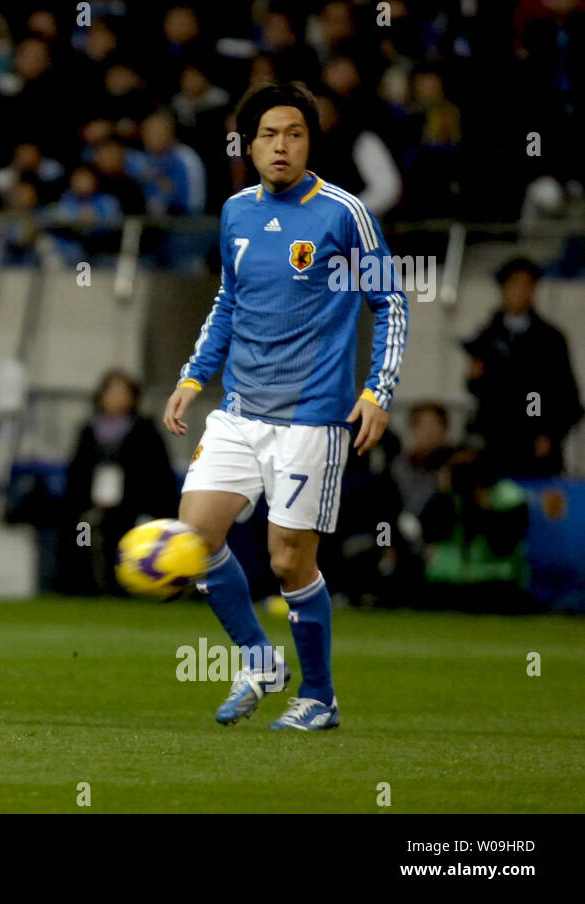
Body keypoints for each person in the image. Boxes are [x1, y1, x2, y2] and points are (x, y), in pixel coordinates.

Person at [162, 82, 408, 731]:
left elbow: (391, 301)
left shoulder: (343, 213)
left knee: (288, 560)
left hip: (311, 418)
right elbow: (227, 304)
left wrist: (377, 392)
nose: (281, 145)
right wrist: (193, 377)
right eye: (270, 134)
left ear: (309, 142)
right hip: (241, 410)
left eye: (294, 134)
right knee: (194, 537)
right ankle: (259, 660)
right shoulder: (236, 211)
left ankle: (320, 697)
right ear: (248, 144)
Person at [464, 257, 583, 478]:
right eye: (514, 285)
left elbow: (565, 395)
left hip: (537, 447)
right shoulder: (487, 337)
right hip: (495, 445)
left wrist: (549, 433)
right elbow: (480, 391)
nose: (520, 292)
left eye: (526, 286)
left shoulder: (550, 340)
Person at [64, 371, 179, 595]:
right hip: (92, 508)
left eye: (122, 393)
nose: (116, 399)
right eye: (111, 392)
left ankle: (126, 588)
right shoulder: (88, 431)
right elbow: (77, 472)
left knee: (124, 546)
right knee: (83, 539)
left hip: (132, 509)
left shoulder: (146, 431)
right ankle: (84, 585)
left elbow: (158, 475)